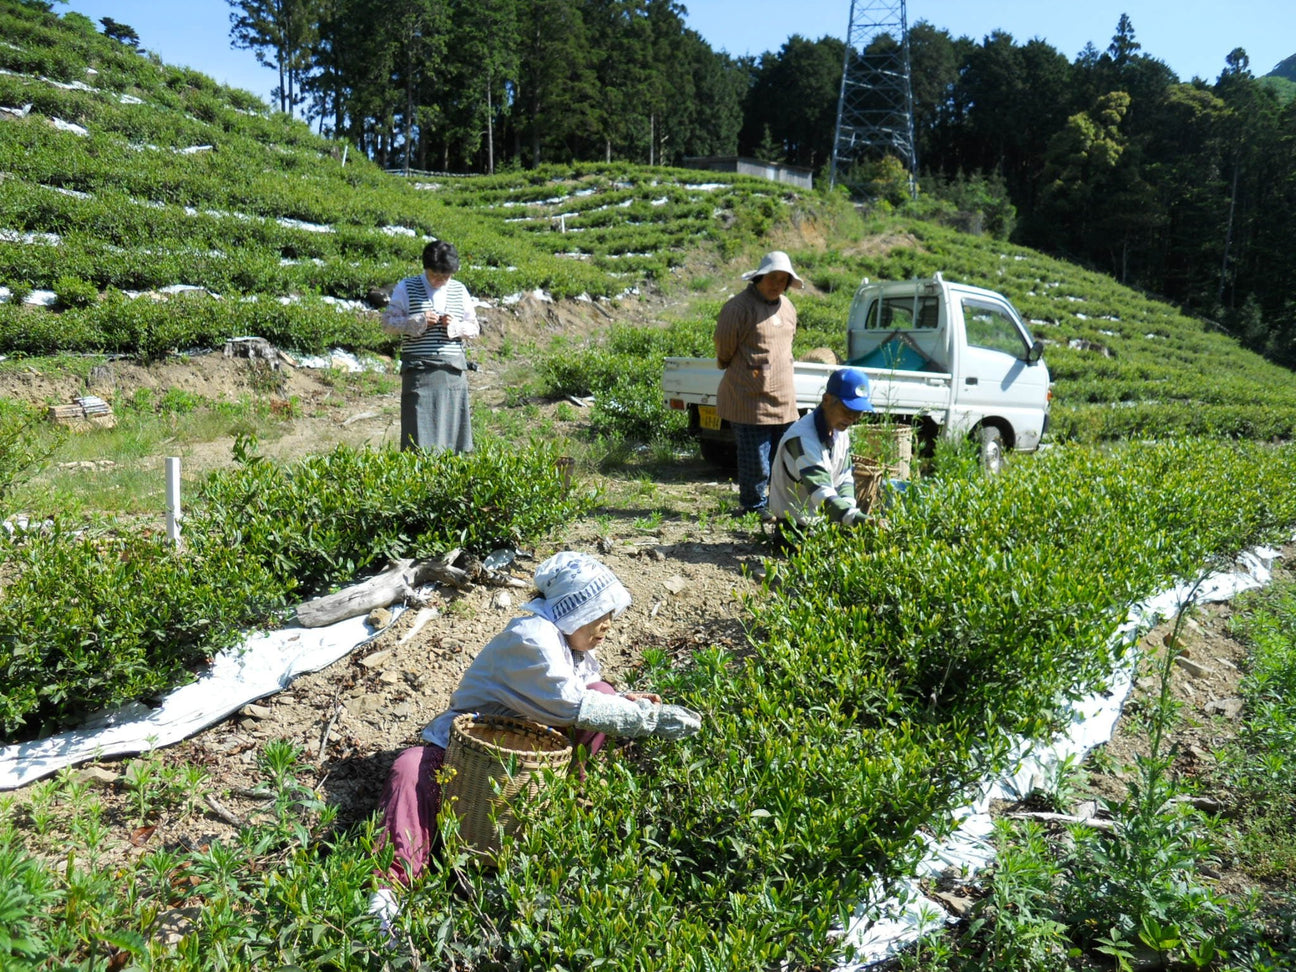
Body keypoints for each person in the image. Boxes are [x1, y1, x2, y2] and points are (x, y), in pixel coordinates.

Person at [369, 552, 701, 923]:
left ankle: (560, 812)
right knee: (411, 768)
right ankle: (392, 891)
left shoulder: (569, 646)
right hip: (466, 753)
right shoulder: (530, 638)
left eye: (610, 615)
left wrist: (625, 702)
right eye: (599, 613)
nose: (607, 624)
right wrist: (645, 720)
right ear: (572, 609)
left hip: (527, 758)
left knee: (604, 693)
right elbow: (565, 702)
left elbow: (585, 695)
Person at [714, 250, 803, 516]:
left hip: (784, 398)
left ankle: (777, 503)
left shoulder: (788, 307)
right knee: (756, 459)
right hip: (749, 398)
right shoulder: (738, 308)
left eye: (783, 280)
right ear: (759, 278)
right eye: (772, 278)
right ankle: (753, 505)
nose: (777, 284)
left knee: (782, 457)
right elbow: (724, 348)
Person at [382, 239, 480, 453]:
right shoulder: (406, 287)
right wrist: (417, 321)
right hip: (419, 371)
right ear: (426, 268)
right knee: (418, 432)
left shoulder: (459, 290)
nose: (440, 281)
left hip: (452, 371)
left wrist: (455, 326)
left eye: (446, 276)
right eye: (435, 275)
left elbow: (474, 328)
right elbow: (387, 323)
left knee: (453, 435)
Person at [768, 366, 876, 532]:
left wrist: (847, 513)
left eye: (858, 413)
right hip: (797, 530)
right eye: (847, 410)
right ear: (826, 400)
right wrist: (856, 519)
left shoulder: (839, 430)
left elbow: (844, 477)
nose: (852, 418)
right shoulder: (803, 438)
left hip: (826, 523)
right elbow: (822, 493)